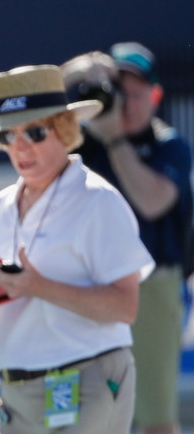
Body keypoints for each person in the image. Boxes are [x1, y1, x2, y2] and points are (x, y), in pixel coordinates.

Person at [0, 64, 154, 434]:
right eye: (9, 135)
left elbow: (126, 307)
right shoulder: (1, 206)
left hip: (87, 383)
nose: (21, 146)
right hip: (14, 395)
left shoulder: (98, 200)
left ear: (64, 130)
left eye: (35, 132)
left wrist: (38, 286)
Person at [62, 43, 193, 434]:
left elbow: (153, 202)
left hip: (151, 289)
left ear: (155, 96)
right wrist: (74, 72)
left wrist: (117, 141)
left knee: (155, 418)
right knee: (88, 416)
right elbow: (37, 124)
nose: (127, 105)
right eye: (120, 93)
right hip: (90, 286)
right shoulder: (85, 143)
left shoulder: (169, 145)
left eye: (137, 95)